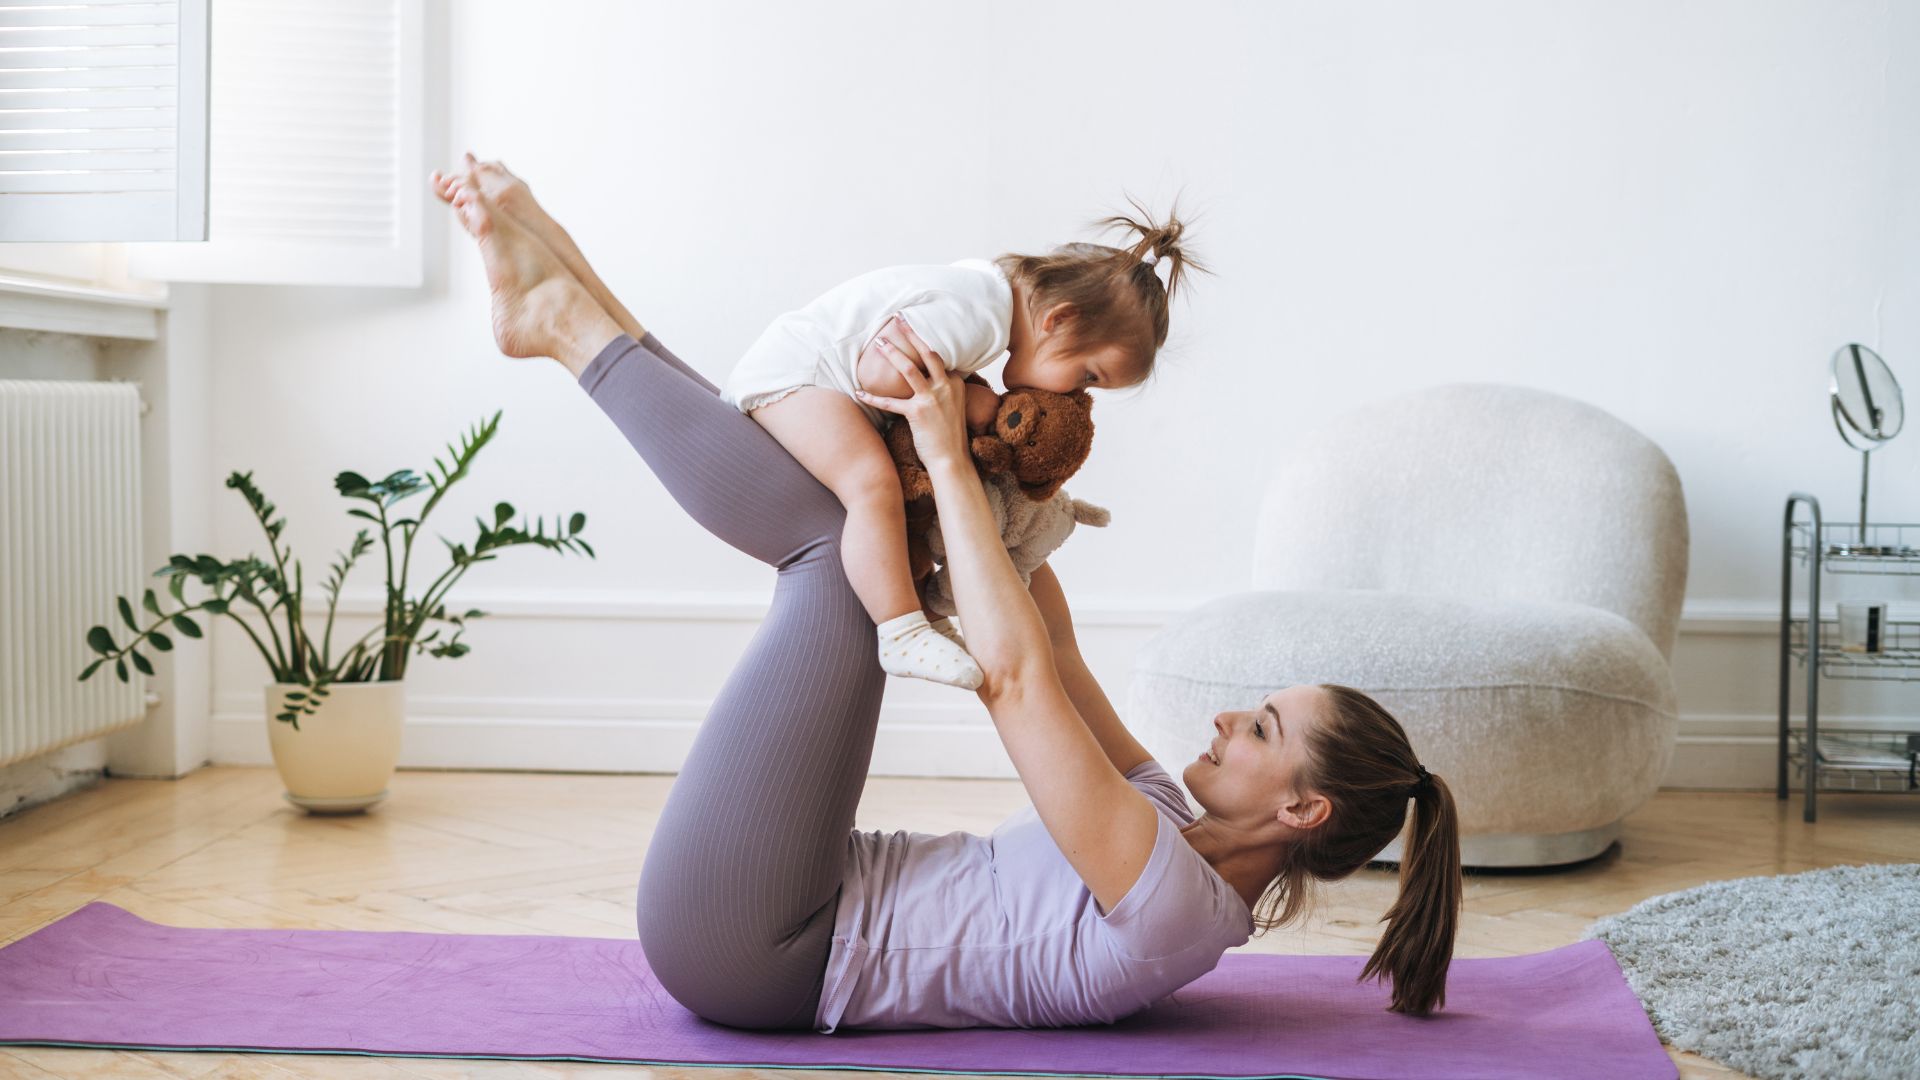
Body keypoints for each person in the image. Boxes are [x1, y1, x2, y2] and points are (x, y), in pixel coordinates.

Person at [431, 155, 1463, 1033]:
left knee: (841, 564)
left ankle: (572, 329)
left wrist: (943, 455)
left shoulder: (1171, 904)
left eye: (1262, 729)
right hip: (794, 887)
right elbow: (1048, 643)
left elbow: (1012, 681)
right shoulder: (1159, 814)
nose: (1230, 718)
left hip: (760, 948)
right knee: (851, 528)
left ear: (1302, 807)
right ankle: (571, 293)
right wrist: (1009, 483)